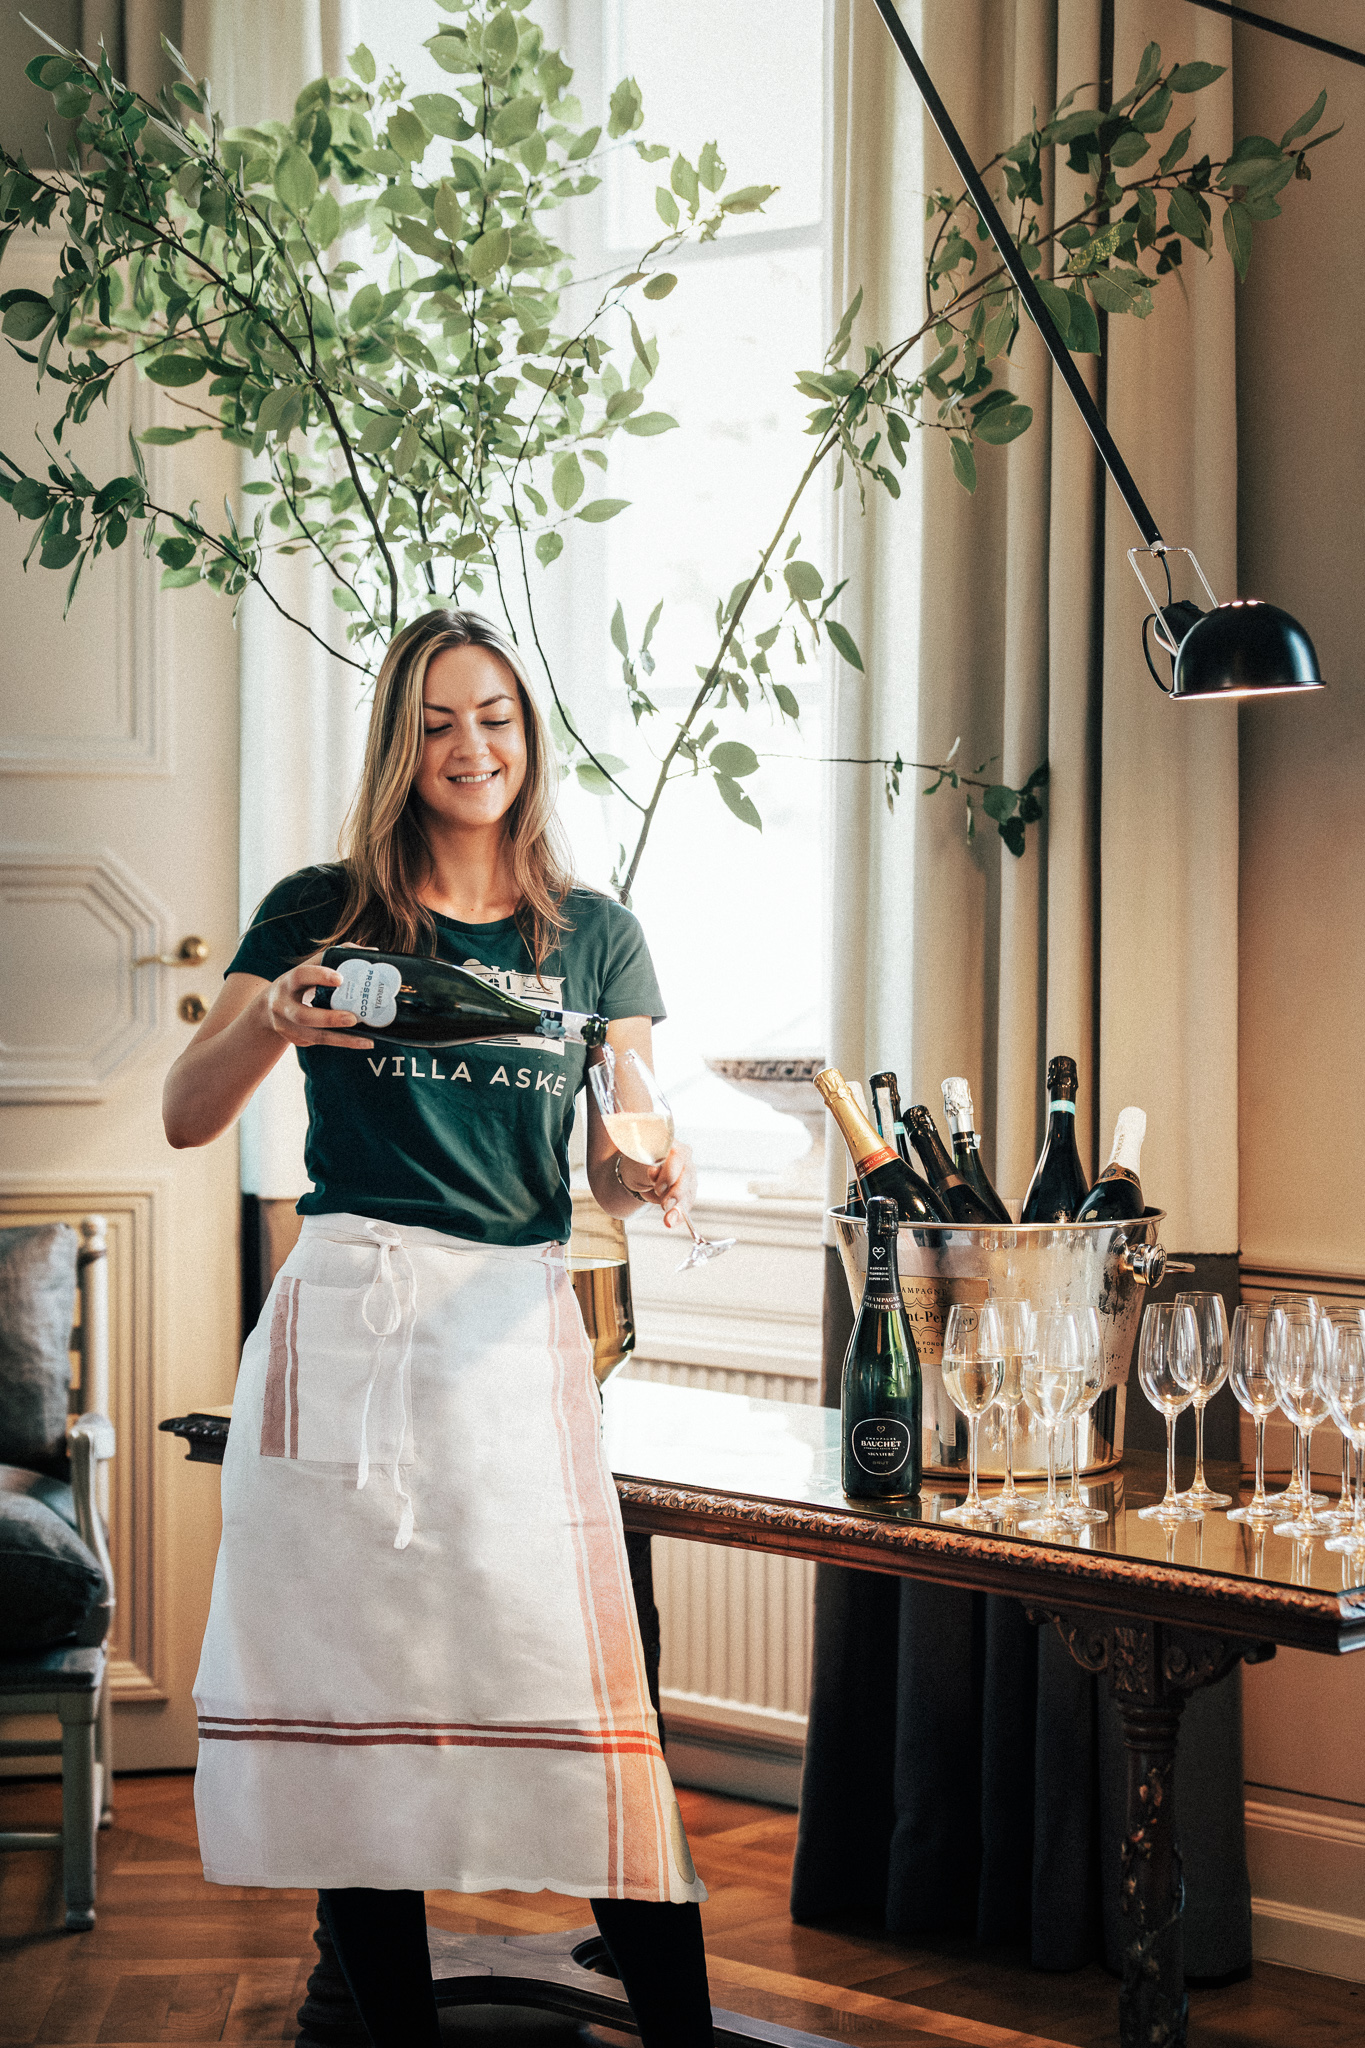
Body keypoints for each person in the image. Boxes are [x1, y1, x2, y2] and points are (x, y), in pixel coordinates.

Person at [163, 608, 714, 2048]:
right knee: (355, 1698)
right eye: (439, 723)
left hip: (511, 1343)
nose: (473, 748)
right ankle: (387, 2031)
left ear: (529, 739)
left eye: (498, 719)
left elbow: (616, 1144)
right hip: (349, 1320)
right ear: (400, 746)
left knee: (594, 1701)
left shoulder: (594, 937)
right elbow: (184, 1113)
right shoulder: (317, 910)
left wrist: (644, 1168)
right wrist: (273, 1019)